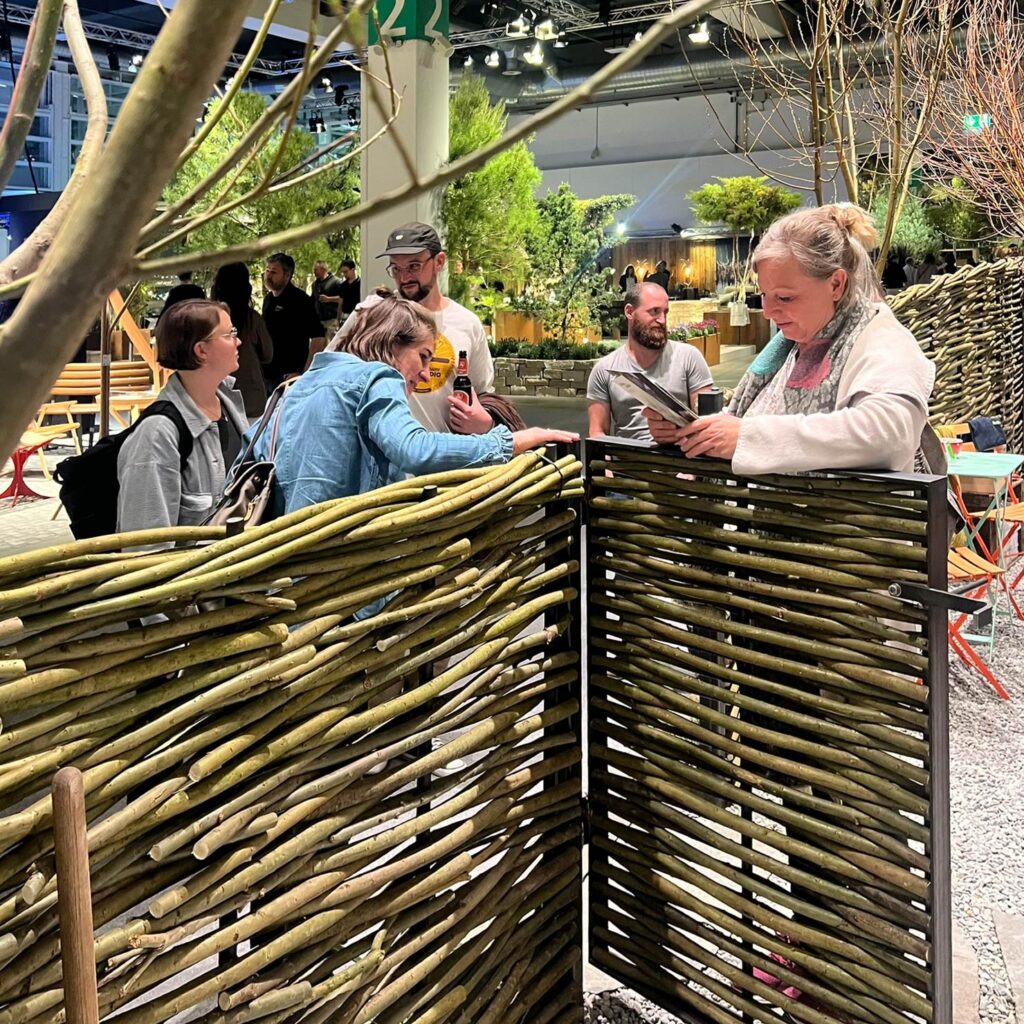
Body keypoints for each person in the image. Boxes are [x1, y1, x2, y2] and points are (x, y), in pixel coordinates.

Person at [645, 204, 935, 476]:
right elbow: (753, 417)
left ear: (836, 284)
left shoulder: (882, 341)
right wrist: (693, 431)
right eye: (764, 295)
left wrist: (749, 438)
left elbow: (888, 435)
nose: (768, 311)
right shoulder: (792, 346)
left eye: (785, 298)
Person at [251, 295, 577, 516]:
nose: (424, 375)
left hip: (283, 560)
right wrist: (511, 441)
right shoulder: (377, 377)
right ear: (393, 342)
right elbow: (415, 449)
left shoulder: (297, 386)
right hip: (344, 562)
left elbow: (250, 454)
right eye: (423, 356)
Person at [117, 300, 247, 532]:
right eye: (230, 334)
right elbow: (146, 544)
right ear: (201, 350)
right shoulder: (157, 436)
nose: (238, 341)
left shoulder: (228, 402)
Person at [377, 222, 496, 435]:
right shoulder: (375, 315)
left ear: (439, 261)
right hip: (385, 455)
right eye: (396, 268)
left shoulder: (467, 323)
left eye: (414, 266)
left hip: (449, 453)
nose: (404, 278)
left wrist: (485, 423)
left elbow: (483, 394)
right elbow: (333, 373)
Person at [587, 281, 714, 441]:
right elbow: (597, 433)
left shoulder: (689, 357)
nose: (662, 320)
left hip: (681, 453)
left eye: (665, 312)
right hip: (627, 455)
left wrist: (679, 433)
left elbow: (710, 424)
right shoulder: (605, 369)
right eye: (654, 311)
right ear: (629, 312)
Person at [210, 262, 274, 419]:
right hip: (251, 397)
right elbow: (268, 355)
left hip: (217, 396)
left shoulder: (209, 319)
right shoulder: (252, 319)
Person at [261, 253, 325, 388]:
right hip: (268, 374)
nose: (268, 276)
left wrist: (305, 373)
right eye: (267, 271)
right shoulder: (268, 300)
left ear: (287, 275)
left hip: (291, 374)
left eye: (274, 272)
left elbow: (318, 338)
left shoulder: (300, 300)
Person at [311, 260, 345, 337]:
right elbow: (312, 301)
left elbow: (344, 298)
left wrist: (329, 299)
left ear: (323, 269)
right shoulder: (314, 285)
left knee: (329, 343)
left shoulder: (336, 282)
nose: (314, 272)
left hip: (332, 320)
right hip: (318, 321)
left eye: (316, 269)